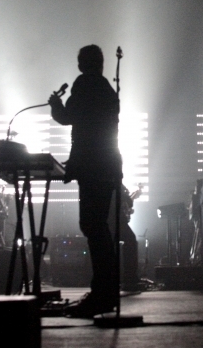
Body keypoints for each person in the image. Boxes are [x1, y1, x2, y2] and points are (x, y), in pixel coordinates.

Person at [49, 44, 122, 317]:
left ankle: (103, 292)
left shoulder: (84, 83)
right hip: (107, 164)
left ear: (81, 65)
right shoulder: (106, 88)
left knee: (92, 225)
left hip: (93, 167)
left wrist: (55, 104)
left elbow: (69, 117)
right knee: (98, 226)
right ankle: (106, 290)